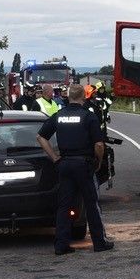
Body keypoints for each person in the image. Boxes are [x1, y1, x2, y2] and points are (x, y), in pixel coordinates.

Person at [36, 86, 114, 255]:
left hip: (64, 164)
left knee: (64, 206)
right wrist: (98, 162)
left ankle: (61, 245)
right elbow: (99, 144)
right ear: (83, 98)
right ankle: (99, 242)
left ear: (69, 97)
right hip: (84, 165)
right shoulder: (88, 116)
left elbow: (40, 137)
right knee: (91, 204)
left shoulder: (59, 115)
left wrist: (54, 157)